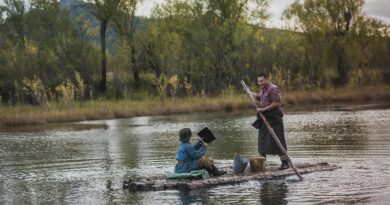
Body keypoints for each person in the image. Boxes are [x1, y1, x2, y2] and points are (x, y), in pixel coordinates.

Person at [251, 72, 289, 170]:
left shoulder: (273, 88)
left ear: (267, 79)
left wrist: (263, 109)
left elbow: (277, 103)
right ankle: (261, 164)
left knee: (278, 141)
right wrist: (250, 93)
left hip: (274, 119)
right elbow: (259, 97)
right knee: (262, 142)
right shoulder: (263, 90)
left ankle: (285, 163)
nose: (260, 83)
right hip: (264, 119)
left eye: (262, 81)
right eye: (259, 81)